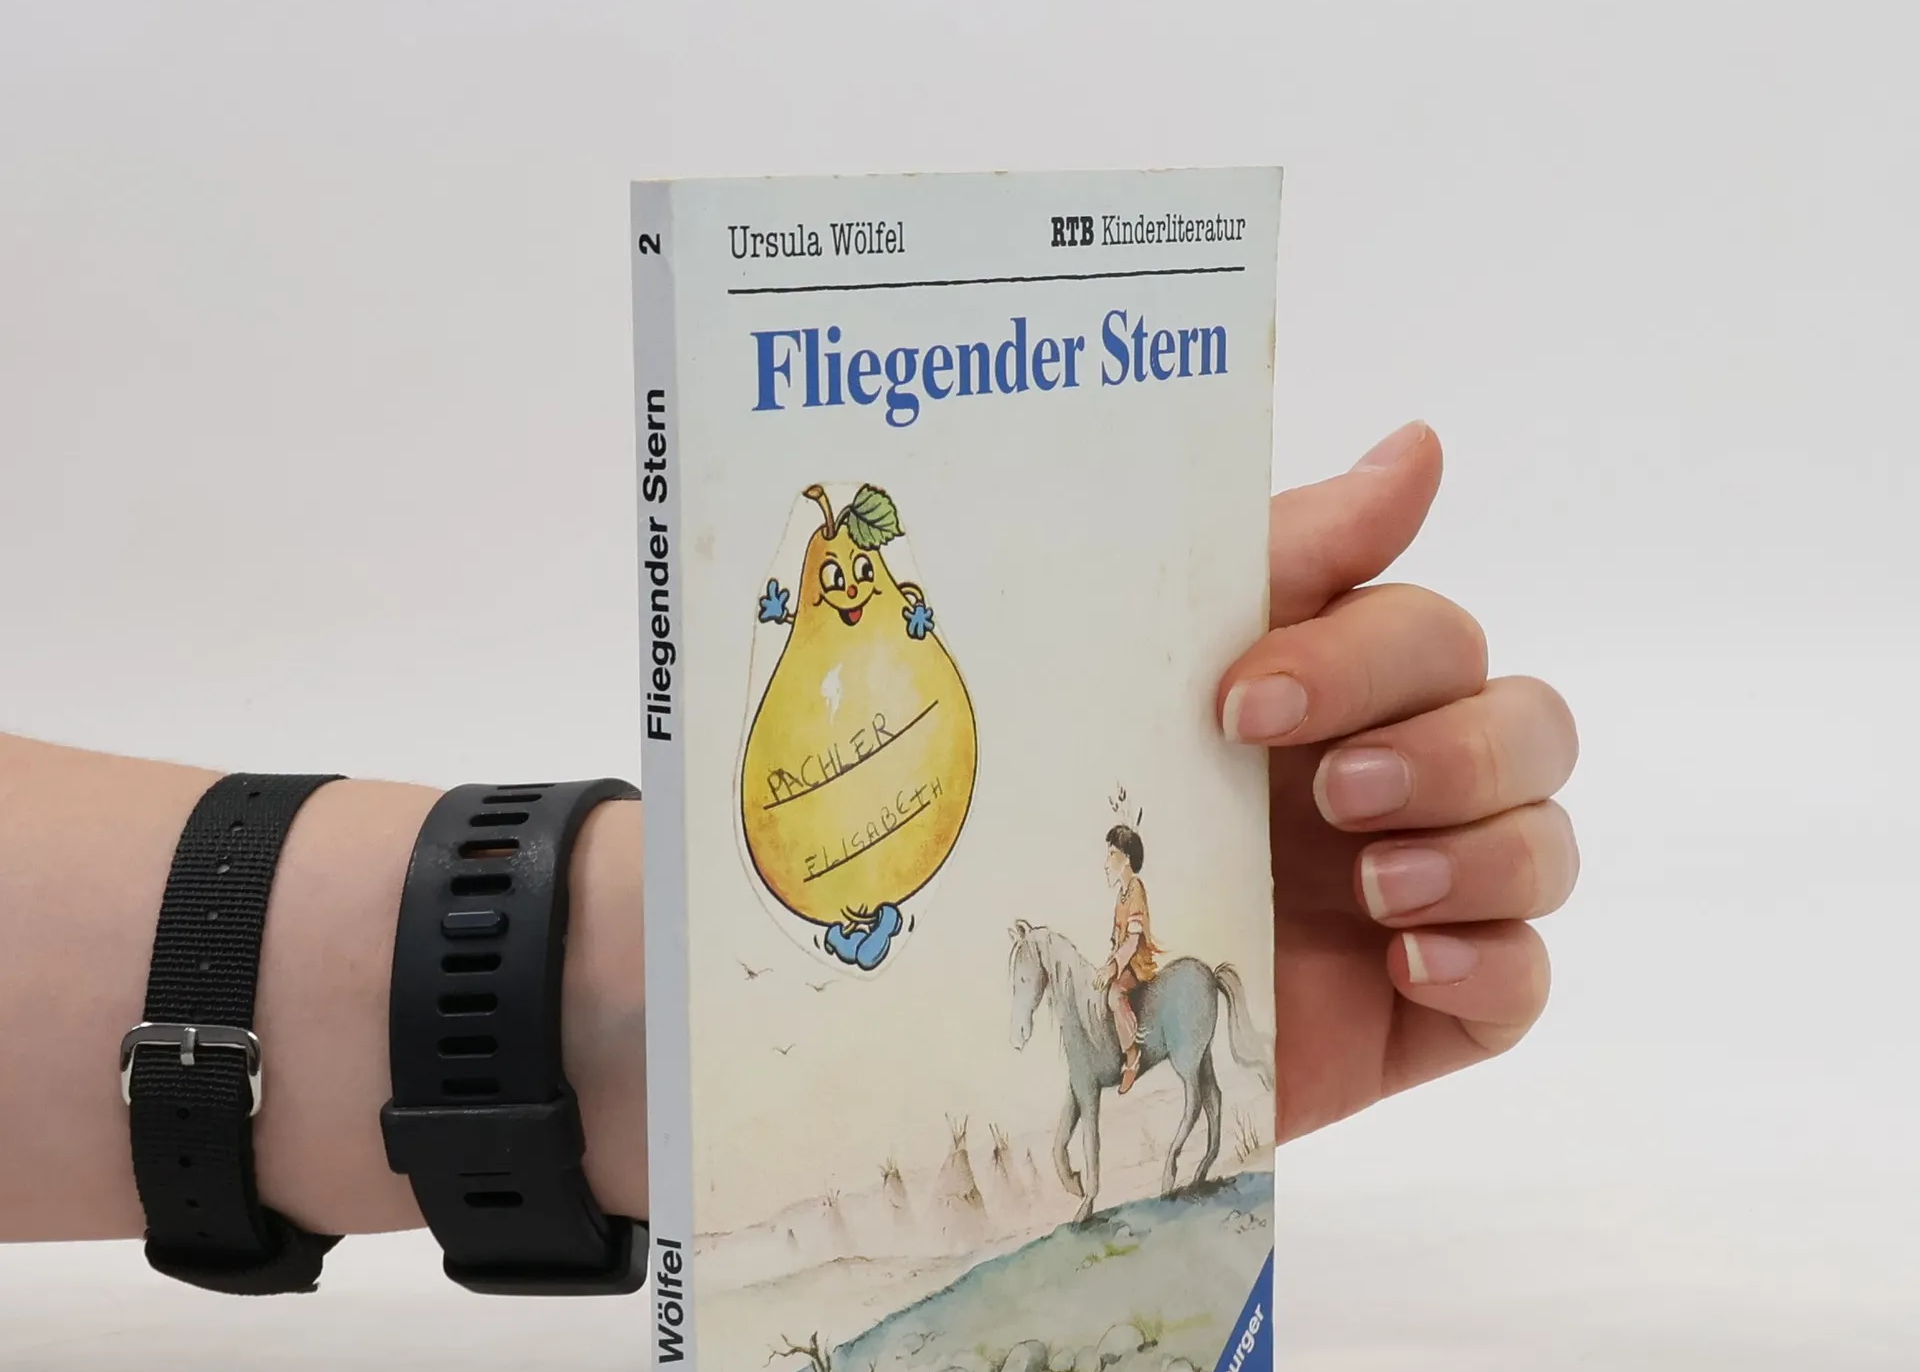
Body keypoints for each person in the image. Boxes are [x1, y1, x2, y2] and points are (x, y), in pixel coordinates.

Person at [0, 421, 1579, 1245]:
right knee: (1101, 1012)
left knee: (1120, 1011)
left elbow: (1127, 932)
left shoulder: (1129, 900)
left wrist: (654, 984)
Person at [1097, 824, 1161, 1094]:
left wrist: (1113, 968)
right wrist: (1106, 965)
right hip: (1123, 960)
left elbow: (1133, 941)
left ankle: (1133, 1055)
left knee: (1114, 995)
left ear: (1126, 858)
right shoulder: (1120, 895)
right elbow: (1117, 939)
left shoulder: (1136, 889)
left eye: (1112, 854)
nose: (1106, 862)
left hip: (1137, 963)